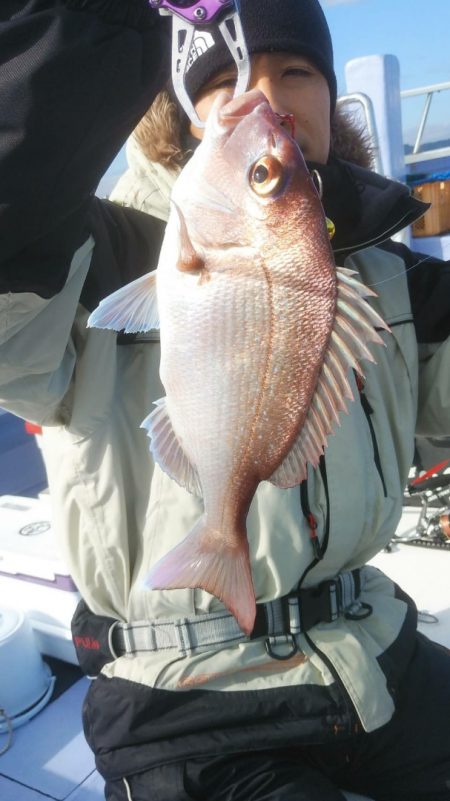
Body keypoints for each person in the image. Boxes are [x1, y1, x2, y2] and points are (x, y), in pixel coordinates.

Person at [1, 2, 449, 800]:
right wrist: (89, 25)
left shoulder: (391, 274)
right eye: (222, 80)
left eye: (297, 72)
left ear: (332, 91)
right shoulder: (81, 251)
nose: (264, 98)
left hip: (374, 648)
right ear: (174, 103)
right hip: (182, 698)